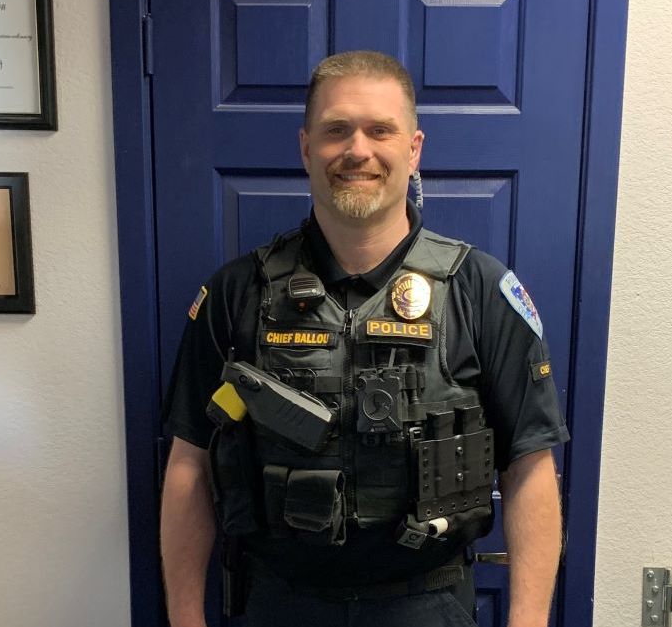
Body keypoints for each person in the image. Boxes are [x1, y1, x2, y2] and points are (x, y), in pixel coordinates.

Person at [160, 50, 568, 627]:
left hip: (427, 604)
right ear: (306, 147)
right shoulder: (237, 292)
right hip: (279, 604)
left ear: (413, 148)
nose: (357, 150)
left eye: (380, 130)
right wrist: (185, 619)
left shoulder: (480, 289)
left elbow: (529, 464)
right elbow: (190, 461)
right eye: (336, 131)